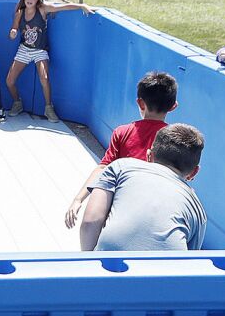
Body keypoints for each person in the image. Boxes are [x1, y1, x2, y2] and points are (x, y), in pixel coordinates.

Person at [64, 70, 178, 228]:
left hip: (120, 210)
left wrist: (78, 199)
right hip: (156, 214)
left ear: (140, 103)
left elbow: (103, 168)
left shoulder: (122, 132)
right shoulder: (174, 139)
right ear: (173, 106)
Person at [78, 123, 207, 252]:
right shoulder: (198, 209)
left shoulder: (120, 167)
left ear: (149, 156)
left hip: (111, 262)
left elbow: (90, 222)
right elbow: (189, 259)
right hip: (166, 270)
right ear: (194, 172)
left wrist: (89, 260)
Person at [4, 0, 94, 122]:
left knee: (44, 78)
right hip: (24, 49)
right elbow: (13, 28)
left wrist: (81, 5)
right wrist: (13, 32)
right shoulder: (20, 12)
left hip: (40, 50)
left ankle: (48, 108)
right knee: (9, 81)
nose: (30, 0)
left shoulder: (42, 9)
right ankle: (17, 103)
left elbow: (63, 7)